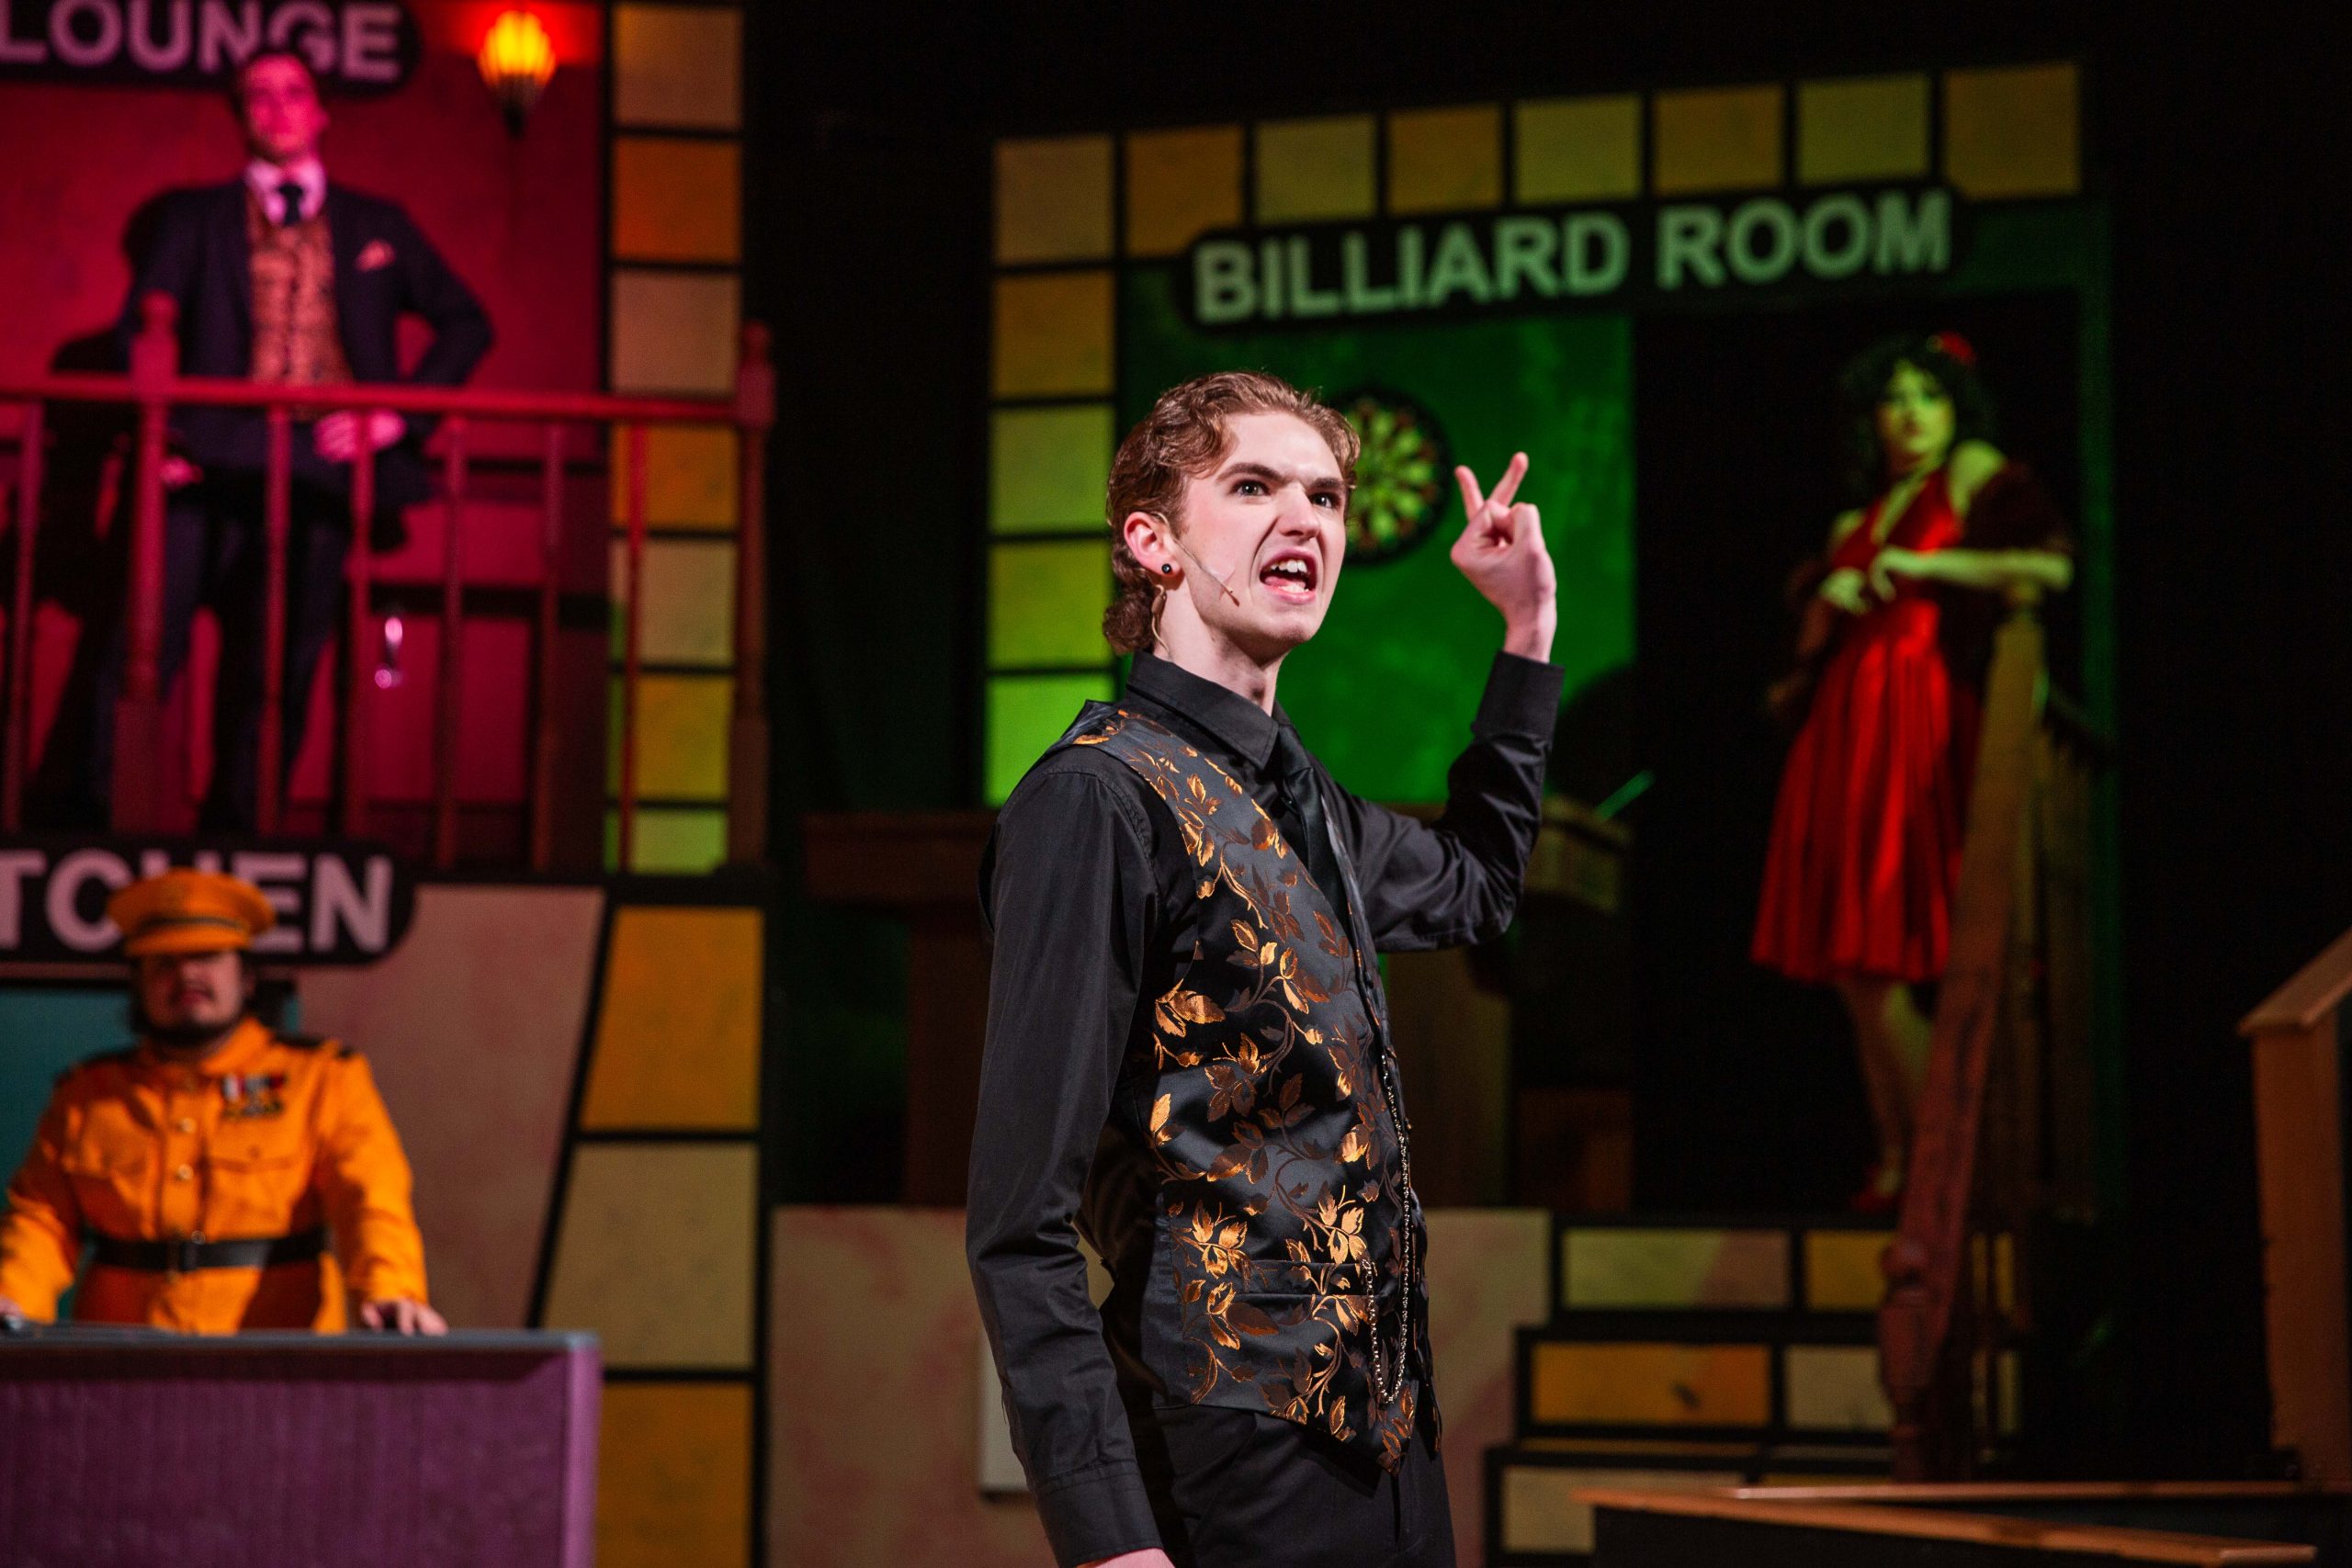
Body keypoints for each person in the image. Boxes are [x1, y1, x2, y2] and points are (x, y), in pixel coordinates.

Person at [968, 371, 1561, 1568]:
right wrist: (1105, 1534)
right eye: (1253, 487)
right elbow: (1019, 1225)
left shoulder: (1306, 797)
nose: (1306, 519)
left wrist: (1526, 633)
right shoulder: (1097, 799)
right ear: (1153, 543)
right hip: (1224, 1449)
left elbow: (1475, 887)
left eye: (1326, 496)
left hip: (1388, 1444)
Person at [88, 46, 492, 829]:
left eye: (293, 93)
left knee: (277, 667)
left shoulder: (377, 224)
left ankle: (242, 830)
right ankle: (95, 822)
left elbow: (467, 323)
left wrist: (395, 416)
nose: (277, 109)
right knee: (139, 648)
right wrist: (163, 438)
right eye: (259, 96)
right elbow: (137, 333)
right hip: (205, 462)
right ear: (241, 116)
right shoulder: (194, 218)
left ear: (321, 111)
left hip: (318, 470)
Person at [1752, 333, 2073, 1210]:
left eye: (1926, 395)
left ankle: (1945, 1160)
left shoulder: (1970, 472)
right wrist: (1828, 603)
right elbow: (1809, 651)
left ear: (1954, 405)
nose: (1910, 415)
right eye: (1893, 399)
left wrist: (1927, 566)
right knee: (1854, 970)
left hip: (1919, 710)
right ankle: (1900, 1153)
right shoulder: (1851, 523)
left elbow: (2049, 564)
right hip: (1847, 727)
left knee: (1888, 957)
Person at [0, 869, 442, 1335]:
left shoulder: (321, 1078)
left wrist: (389, 1290)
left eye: (206, 956)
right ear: (138, 984)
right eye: (163, 962)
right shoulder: (88, 1094)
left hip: (277, 1356)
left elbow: (370, 1200)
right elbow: (41, 1220)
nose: (186, 974)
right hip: (125, 1357)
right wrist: (10, 1298)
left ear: (247, 977)